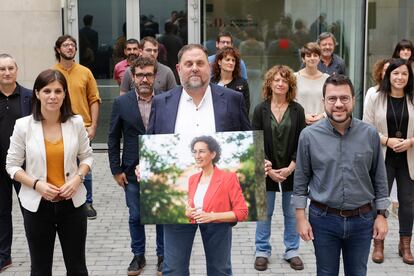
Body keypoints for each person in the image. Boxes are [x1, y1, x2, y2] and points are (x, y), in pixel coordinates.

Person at [147, 44, 251, 275]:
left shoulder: (233, 99)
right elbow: (150, 143)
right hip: (179, 205)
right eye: (188, 64)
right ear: (178, 69)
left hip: (219, 201)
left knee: (220, 269)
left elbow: (247, 136)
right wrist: (142, 168)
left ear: (210, 67)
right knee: (173, 269)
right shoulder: (161, 103)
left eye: (200, 63)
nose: (194, 68)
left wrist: (258, 159)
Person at [293, 74, 390, 276]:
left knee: (357, 273)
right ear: (324, 102)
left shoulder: (369, 134)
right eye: (332, 98)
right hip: (323, 219)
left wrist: (382, 215)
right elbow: (301, 180)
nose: (338, 104)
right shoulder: (309, 136)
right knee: (326, 273)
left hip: (363, 219)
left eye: (344, 98)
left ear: (353, 100)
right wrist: (301, 217)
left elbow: (379, 178)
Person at [6, 69, 93, 275]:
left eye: (58, 91)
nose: (52, 96)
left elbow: (87, 156)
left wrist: (78, 179)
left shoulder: (76, 122)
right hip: (37, 207)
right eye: (47, 91)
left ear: (65, 94)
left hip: (72, 205)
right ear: (37, 93)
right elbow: (12, 165)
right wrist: (37, 185)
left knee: (77, 268)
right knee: (40, 268)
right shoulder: (23, 126)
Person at [108, 56, 164, 275]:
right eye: (140, 74)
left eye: (148, 74)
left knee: (162, 215)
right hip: (131, 171)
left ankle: (163, 256)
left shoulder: (166, 100)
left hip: (161, 169)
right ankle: (138, 256)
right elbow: (113, 138)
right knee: (135, 216)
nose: (144, 79)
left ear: (155, 77)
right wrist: (115, 170)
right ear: (132, 76)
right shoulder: (121, 103)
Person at [253, 65, 306, 271]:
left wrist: (292, 166)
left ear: (290, 85)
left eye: (284, 80)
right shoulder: (260, 109)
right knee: (264, 213)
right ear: (270, 83)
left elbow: (303, 141)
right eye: (276, 80)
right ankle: (262, 251)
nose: (280, 83)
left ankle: (292, 250)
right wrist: (268, 168)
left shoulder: (297, 110)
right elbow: (255, 139)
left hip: (293, 170)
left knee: (292, 213)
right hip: (266, 170)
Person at [363, 58, 414, 265]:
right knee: (380, 202)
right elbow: (366, 127)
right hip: (383, 157)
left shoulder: (413, 97)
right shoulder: (376, 96)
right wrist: (387, 140)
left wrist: (410, 141)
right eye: (396, 73)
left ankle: (405, 246)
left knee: (408, 203)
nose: (400, 77)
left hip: (409, 158)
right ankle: (378, 244)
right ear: (388, 75)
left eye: (404, 74)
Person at [53, 35, 101, 219]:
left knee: (84, 164)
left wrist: (94, 125)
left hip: (83, 127)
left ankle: (87, 203)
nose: (70, 48)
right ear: (58, 49)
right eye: (65, 45)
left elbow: (94, 99)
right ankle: (64, 197)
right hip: (58, 125)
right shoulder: (52, 73)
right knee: (62, 162)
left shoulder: (85, 72)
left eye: (72, 45)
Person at [0, 54, 32, 273]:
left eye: (10, 68)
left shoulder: (30, 97)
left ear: (17, 70)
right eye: (2, 69)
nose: (7, 72)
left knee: (30, 211)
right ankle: (4, 256)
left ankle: (37, 252)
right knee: (1, 212)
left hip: (25, 167)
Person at [186, 136, 248, 224]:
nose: (197, 156)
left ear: (213, 154)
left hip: (218, 231)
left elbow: (242, 212)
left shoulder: (228, 178)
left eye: (201, 152)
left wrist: (213, 217)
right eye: (194, 152)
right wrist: (188, 213)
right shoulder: (192, 179)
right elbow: (191, 208)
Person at [295, 42, 330, 125]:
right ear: (303, 59)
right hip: (299, 124)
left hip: (322, 125)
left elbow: (331, 101)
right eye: (308, 55)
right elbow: (289, 102)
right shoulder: (294, 78)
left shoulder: (327, 79)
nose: (312, 58)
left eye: (315, 55)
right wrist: (302, 115)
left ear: (319, 58)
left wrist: (323, 116)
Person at [211, 47, 250, 113]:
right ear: (219, 62)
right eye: (227, 59)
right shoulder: (212, 82)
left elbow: (245, 108)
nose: (231, 63)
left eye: (233, 60)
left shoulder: (242, 82)